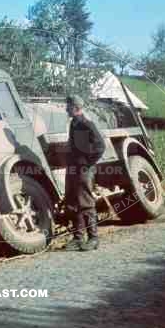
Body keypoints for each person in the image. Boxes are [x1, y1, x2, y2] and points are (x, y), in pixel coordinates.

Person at [63, 94, 106, 251]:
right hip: (73, 170)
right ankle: (78, 238)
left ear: (75, 108)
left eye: (68, 106)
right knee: (73, 203)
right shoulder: (74, 124)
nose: (66, 109)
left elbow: (100, 146)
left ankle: (94, 238)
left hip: (83, 170)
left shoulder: (87, 124)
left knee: (86, 203)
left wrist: (87, 164)